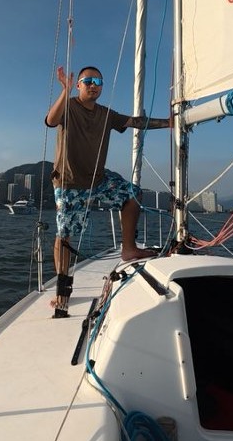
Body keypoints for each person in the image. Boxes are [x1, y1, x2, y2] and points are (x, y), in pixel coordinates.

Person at [45, 65, 171, 317]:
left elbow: (135, 122)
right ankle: (62, 293)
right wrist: (64, 91)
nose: (93, 85)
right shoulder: (69, 106)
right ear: (78, 85)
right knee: (65, 235)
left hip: (98, 180)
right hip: (70, 183)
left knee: (132, 194)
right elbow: (51, 121)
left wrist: (169, 122)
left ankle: (129, 248)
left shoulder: (106, 114)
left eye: (98, 82)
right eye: (88, 81)